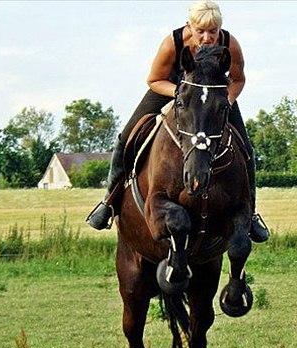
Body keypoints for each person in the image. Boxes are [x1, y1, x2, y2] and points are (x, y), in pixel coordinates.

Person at [86, 0, 269, 243]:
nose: (207, 37)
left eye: (212, 31)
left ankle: (251, 214)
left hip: (212, 95)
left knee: (246, 147)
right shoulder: (172, 43)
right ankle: (109, 201)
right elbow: (154, 79)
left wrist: (228, 100)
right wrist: (181, 94)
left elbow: (237, 79)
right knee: (126, 136)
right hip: (170, 88)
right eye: (200, 31)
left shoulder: (230, 44)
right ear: (189, 26)